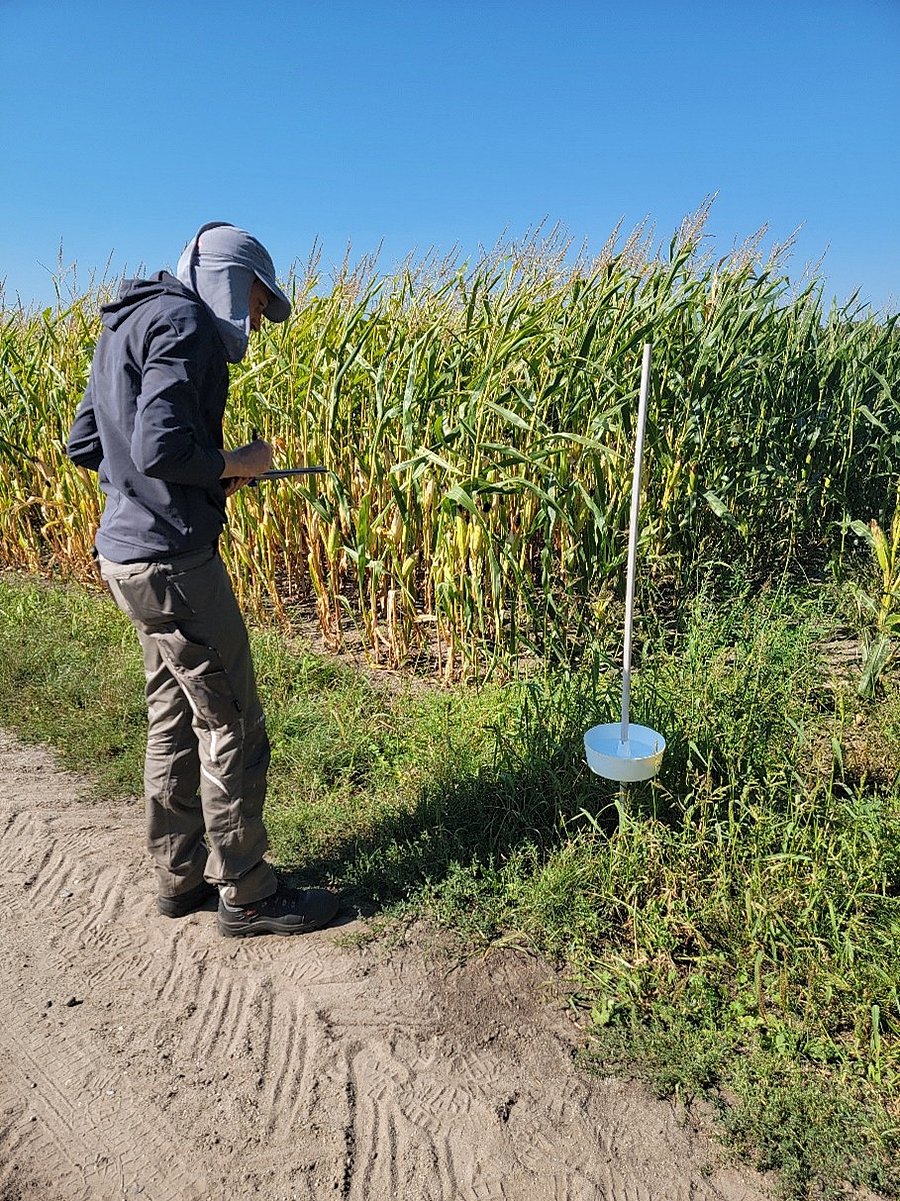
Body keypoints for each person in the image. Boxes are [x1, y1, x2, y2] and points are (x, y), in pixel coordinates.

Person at [65, 222, 339, 938]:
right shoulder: (185, 322)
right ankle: (247, 891)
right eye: (253, 300)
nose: (253, 319)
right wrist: (233, 462)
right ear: (224, 275)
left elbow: (85, 443)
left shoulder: (127, 318)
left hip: (124, 560)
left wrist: (176, 485)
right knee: (232, 718)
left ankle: (177, 874)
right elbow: (161, 446)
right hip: (176, 565)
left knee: (170, 713)